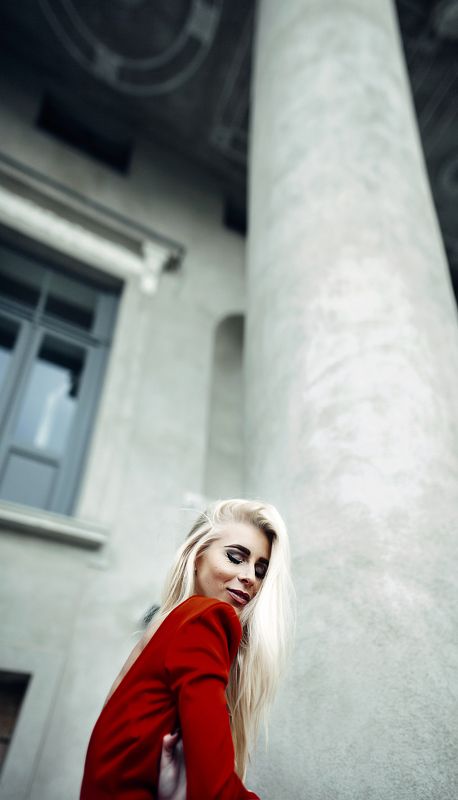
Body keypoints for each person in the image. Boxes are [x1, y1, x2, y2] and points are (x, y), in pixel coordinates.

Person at [80, 498, 294, 799]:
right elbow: (216, 792)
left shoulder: (164, 628)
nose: (249, 577)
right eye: (235, 557)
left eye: (260, 570)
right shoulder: (204, 618)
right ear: (198, 556)